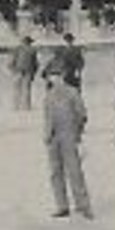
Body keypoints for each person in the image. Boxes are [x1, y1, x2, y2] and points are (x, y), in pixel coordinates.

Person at [42, 63, 93, 219]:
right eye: (51, 75)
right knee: (55, 173)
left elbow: (82, 114)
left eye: (57, 75)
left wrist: (77, 133)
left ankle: (83, 206)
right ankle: (62, 205)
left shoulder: (72, 92)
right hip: (53, 137)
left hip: (69, 135)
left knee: (74, 171)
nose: (54, 78)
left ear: (63, 76)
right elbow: (47, 117)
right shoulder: (48, 95)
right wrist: (47, 135)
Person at [10, 36, 39, 111]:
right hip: (28, 71)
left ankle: (16, 106)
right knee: (27, 90)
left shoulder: (18, 49)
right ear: (30, 42)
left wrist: (12, 71)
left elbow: (13, 61)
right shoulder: (33, 50)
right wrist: (33, 74)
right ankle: (26, 107)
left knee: (17, 89)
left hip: (18, 71)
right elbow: (35, 64)